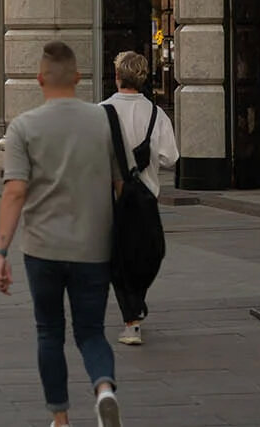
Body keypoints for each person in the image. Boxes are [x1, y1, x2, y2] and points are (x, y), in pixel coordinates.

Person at [0, 41, 122, 427]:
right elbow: (121, 185)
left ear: (39, 79)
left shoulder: (24, 127)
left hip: (42, 249)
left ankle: (60, 418)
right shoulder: (104, 121)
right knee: (92, 332)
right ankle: (104, 390)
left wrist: (0, 251)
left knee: (49, 333)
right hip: (94, 246)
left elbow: (15, 191)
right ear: (79, 78)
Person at [101, 51, 179, 347]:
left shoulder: (102, 111)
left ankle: (131, 316)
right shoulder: (157, 114)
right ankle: (135, 310)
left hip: (112, 197)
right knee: (149, 253)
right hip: (147, 198)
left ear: (117, 76)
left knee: (117, 258)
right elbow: (170, 157)